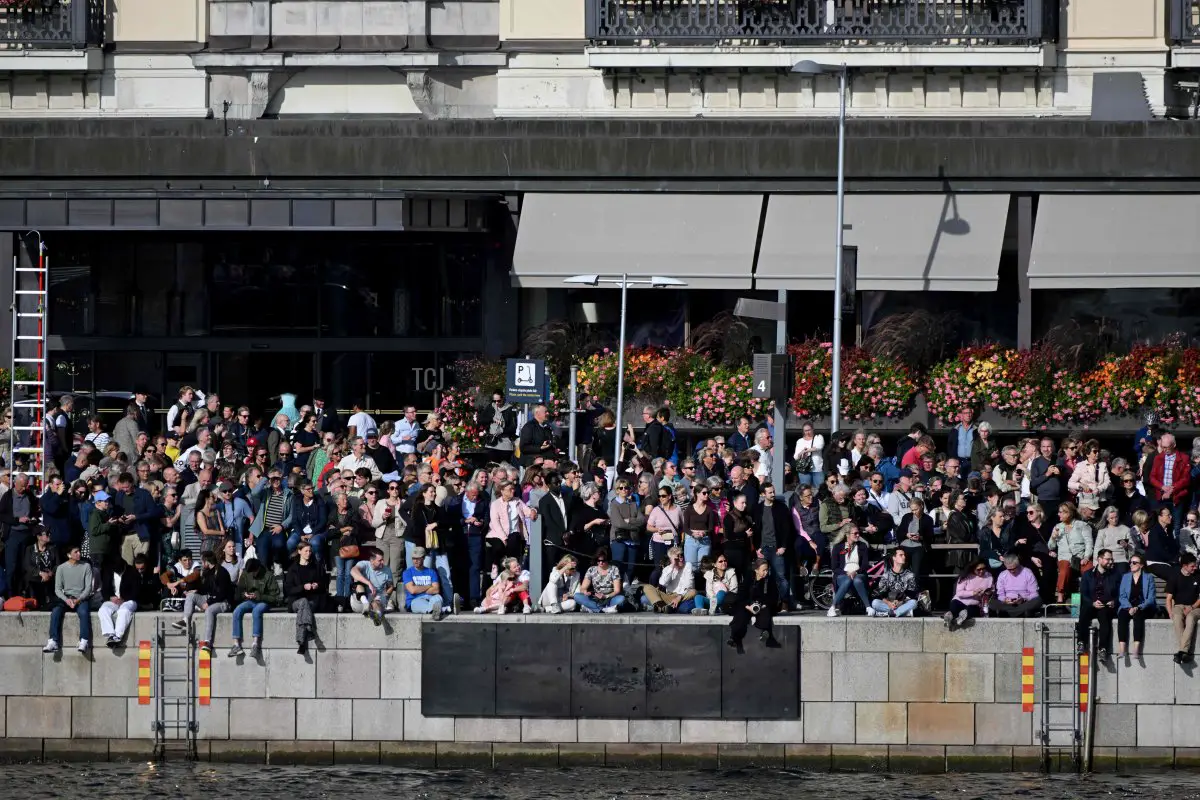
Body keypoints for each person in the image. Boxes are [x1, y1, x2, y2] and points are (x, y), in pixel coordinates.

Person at [174, 550, 234, 653]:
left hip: (223, 602)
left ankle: (207, 642)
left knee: (209, 610)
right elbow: (205, 588)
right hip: (210, 598)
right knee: (191, 596)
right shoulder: (207, 572)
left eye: (202, 562)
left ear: (207, 562)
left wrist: (209, 602)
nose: (201, 564)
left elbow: (222, 594)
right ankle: (185, 620)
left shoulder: (222, 572)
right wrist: (196, 591)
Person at [43, 544, 93, 654]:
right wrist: (66, 600)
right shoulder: (61, 568)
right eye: (76, 552)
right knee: (56, 612)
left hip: (81, 598)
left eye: (79, 551)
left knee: (84, 612)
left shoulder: (86, 566)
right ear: (69, 555)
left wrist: (78, 600)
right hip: (66, 599)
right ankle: (53, 641)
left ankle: (84, 640)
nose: (79, 553)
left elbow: (88, 588)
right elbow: (58, 589)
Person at [228, 557, 281, 658]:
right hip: (250, 601)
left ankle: (255, 644)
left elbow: (275, 598)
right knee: (237, 611)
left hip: (263, 601)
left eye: (254, 572)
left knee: (256, 611)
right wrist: (245, 595)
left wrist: (259, 596)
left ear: (258, 568)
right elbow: (238, 593)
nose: (252, 574)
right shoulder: (246, 573)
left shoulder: (268, 575)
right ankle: (236, 644)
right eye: (250, 572)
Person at [727, 558, 781, 654]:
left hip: (763, 605)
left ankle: (765, 633)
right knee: (740, 615)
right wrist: (748, 607)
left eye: (767, 570)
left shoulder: (769, 580)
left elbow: (773, 597)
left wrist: (762, 606)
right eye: (763, 570)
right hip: (749, 605)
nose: (766, 572)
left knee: (766, 613)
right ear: (756, 570)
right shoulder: (748, 579)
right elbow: (741, 596)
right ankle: (733, 638)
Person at [98, 554, 152, 648]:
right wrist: (110, 597)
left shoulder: (133, 572)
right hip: (113, 600)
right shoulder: (109, 572)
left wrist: (123, 599)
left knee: (124, 611)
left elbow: (136, 591)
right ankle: (110, 634)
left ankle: (118, 635)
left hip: (129, 600)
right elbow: (104, 589)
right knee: (103, 610)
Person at [285, 541, 328, 654]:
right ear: (299, 552)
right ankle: (308, 630)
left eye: (310, 551)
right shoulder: (292, 569)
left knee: (304, 607)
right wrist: (303, 587)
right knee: (303, 602)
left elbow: (324, 584)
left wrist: (317, 585)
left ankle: (302, 641)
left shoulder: (317, 566)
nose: (308, 553)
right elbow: (288, 590)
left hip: (313, 600)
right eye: (306, 551)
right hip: (295, 602)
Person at [1048, 502, 1094, 605]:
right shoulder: (1057, 527)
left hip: (1081, 557)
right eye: (1059, 512)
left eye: (1062, 512)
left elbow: (1089, 542)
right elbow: (1051, 547)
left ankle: (1090, 598)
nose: (1059, 514)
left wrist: (1086, 557)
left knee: (1089, 570)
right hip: (1065, 558)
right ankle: (1060, 598)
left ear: (1070, 513)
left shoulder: (1082, 525)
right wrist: (1053, 537)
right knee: (1064, 569)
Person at [1078, 548, 1120, 661]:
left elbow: (1120, 593)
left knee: (1105, 619)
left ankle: (1103, 649)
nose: (1111, 562)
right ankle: (1081, 642)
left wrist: (1114, 602)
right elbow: (1083, 593)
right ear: (1099, 559)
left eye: (1111, 559)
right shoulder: (1087, 575)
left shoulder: (1115, 575)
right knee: (1084, 611)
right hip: (1091, 604)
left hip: (1106, 606)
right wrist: (1092, 603)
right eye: (1108, 559)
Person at [827, 526, 873, 617]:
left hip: (858, 573)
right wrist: (847, 573)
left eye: (858, 533)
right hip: (843, 574)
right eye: (855, 533)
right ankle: (832, 607)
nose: (858, 535)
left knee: (857, 580)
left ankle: (868, 607)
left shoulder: (862, 546)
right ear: (847, 534)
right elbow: (834, 567)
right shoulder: (838, 547)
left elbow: (865, 564)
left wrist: (856, 572)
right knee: (847, 580)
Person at [1118, 555, 1156, 659]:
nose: (1131, 564)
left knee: (1138, 616)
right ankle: (1122, 649)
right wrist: (1129, 607)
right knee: (1122, 615)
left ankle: (1136, 649)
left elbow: (1151, 599)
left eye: (1134, 562)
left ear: (1141, 565)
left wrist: (1138, 607)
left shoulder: (1149, 577)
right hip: (1128, 606)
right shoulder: (1125, 577)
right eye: (1131, 562)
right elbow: (1122, 596)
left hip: (1143, 607)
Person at [1166, 552, 1200, 664]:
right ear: (1184, 566)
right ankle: (1184, 652)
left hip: (1196, 607)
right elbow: (1169, 598)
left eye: (1195, 565)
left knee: (1190, 618)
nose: (1195, 568)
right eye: (1192, 566)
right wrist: (1170, 612)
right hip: (1179, 606)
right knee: (1177, 616)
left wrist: (1192, 606)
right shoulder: (1175, 576)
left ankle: (1182, 651)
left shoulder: (1198, 575)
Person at [989, 551, 1044, 618]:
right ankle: (1017, 612)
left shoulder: (1027, 573)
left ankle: (1011, 613)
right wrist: (1005, 600)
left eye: (1014, 568)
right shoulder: (1003, 575)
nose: (1012, 571)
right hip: (1007, 603)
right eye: (1009, 569)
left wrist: (1023, 599)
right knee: (992, 603)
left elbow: (1034, 594)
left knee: (1038, 600)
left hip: (1024, 602)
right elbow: (1000, 594)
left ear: (1018, 564)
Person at [642, 546, 696, 614]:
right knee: (647, 587)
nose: (681, 559)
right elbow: (662, 583)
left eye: (681, 556)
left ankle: (666, 607)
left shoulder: (688, 565)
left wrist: (679, 597)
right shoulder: (667, 569)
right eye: (677, 558)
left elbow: (689, 586)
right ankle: (662, 606)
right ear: (671, 560)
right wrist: (673, 566)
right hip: (669, 596)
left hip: (683, 596)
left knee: (693, 592)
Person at [350, 550, 397, 625]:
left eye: (383, 559)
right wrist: (368, 583)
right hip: (360, 600)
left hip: (375, 599)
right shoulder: (364, 564)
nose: (382, 562)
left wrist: (385, 596)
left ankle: (376, 617)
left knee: (376, 603)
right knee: (357, 579)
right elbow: (353, 571)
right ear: (372, 561)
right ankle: (366, 605)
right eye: (380, 560)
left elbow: (390, 587)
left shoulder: (387, 570)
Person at [574, 546, 625, 613]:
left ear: (608, 559)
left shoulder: (614, 569)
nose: (601, 563)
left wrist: (605, 596)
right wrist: (585, 592)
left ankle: (593, 608)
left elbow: (617, 590)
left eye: (603, 560)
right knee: (577, 596)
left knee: (621, 599)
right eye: (598, 560)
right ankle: (603, 609)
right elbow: (583, 588)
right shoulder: (591, 569)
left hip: (610, 598)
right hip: (595, 598)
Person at [945, 558, 994, 629]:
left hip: (975, 603)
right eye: (979, 569)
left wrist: (986, 592)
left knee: (970, 610)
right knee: (955, 607)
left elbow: (992, 589)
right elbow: (959, 593)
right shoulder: (965, 576)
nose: (982, 571)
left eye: (983, 568)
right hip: (960, 600)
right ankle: (950, 616)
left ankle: (961, 617)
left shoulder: (988, 576)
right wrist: (973, 593)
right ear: (973, 569)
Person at [872, 547, 919, 618]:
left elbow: (911, 594)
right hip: (889, 603)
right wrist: (888, 603)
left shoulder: (910, 575)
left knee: (913, 603)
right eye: (901, 555)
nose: (904, 557)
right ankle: (902, 613)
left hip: (903, 603)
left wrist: (900, 602)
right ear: (894, 558)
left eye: (904, 555)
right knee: (875, 603)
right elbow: (878, 593)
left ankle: (891, 613)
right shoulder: (886, 575)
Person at [402, 546, 446, 619]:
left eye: (418, 558)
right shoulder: (407, 572)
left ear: (423, 558)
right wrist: (429, 586)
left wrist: (418, 588)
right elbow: (412, 590)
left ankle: (435, 610)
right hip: (414, 600)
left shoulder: (431, 572)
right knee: (420, 604)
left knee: (438, 597)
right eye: (413, 558)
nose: (415, 561)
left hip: (430, 598)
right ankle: (440, 610)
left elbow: (436, 590)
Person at [21, 528, 59, 607]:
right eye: (47, 534)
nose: (49, 535)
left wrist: (50, 573)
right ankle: (33, 600)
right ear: (39, 537)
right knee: (29, 576)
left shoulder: (53, 548)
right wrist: (40, 573)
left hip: (50, 576)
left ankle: (50, 600)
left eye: (49, 533)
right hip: (35, 576)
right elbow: (27, 565)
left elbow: (57, 565)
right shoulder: (30, 549)